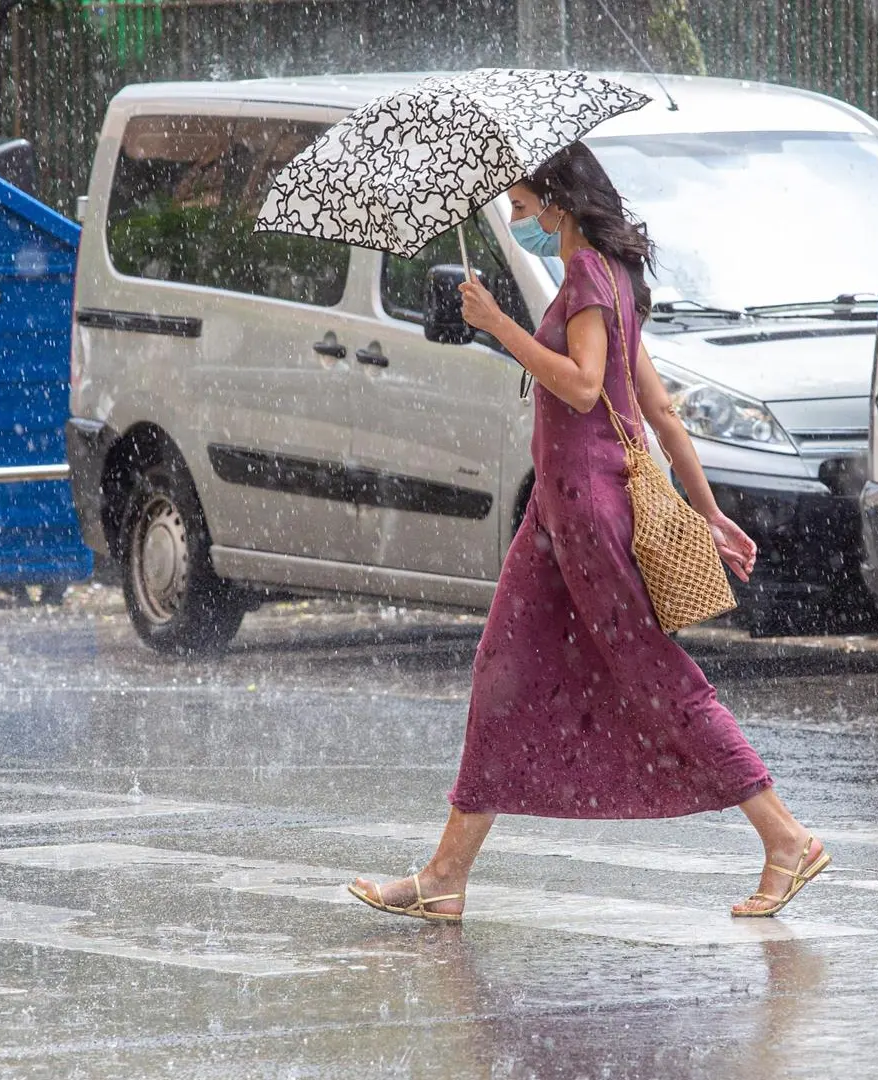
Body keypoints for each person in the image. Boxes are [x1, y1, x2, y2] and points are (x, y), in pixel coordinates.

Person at [347, 142, 829, 922]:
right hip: (556, 512)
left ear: (558, 200)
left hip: (587, 512)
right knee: (502, 673)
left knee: (652, 669)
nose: (515, 216)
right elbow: (658, 409)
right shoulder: (612, 276)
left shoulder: (585, 278)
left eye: (523, 202)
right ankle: (444, 876)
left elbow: (577, 386)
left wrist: (497, 323)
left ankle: (785, 837)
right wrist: (706, 510)